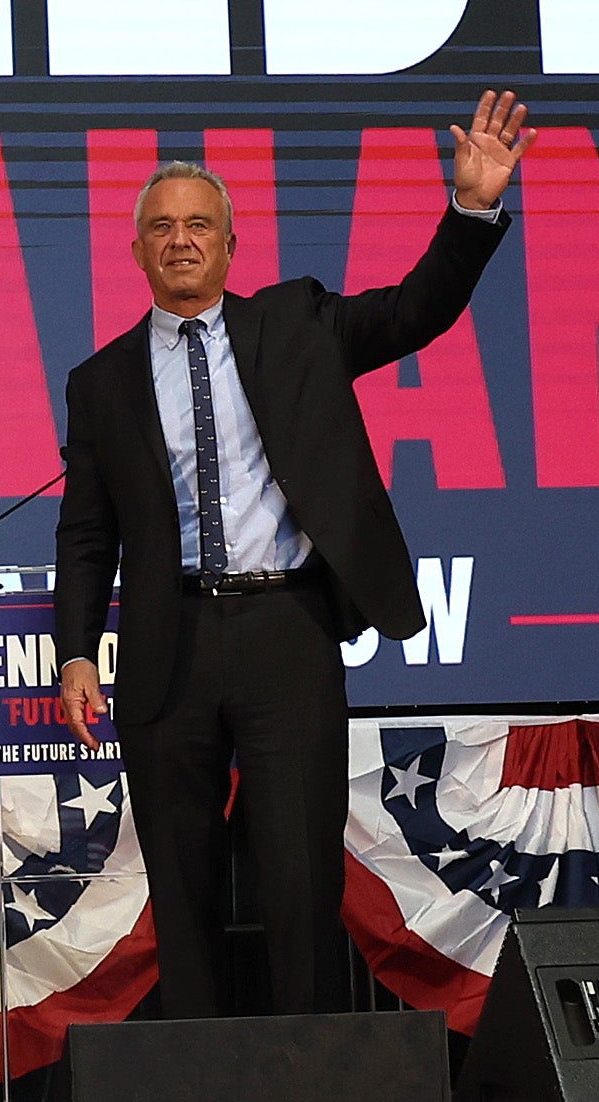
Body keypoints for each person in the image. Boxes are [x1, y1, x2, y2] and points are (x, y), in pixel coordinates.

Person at [53, 92, 534, 1018]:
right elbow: (86, 532)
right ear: (137, 252)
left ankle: (313, 1101)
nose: (181, 239)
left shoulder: (297, 323)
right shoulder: (101, 381)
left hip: (286, 630)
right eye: (162, 227)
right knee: (182, 895)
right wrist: (76, 648)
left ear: (231, 246)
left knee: (299, 881)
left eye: (200, 225)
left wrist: (472, 211)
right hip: (168, 645)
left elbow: (414, 313)